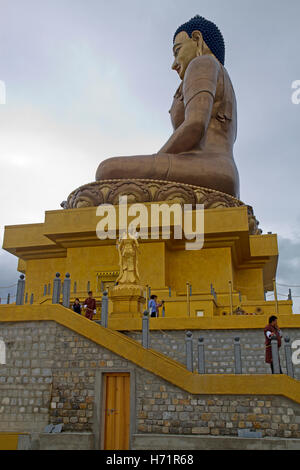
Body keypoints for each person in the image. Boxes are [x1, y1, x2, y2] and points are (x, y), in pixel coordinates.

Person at [96, 15, 239, 198]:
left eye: (177, 51)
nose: (173, 64)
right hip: (219, 170)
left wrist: (157, 159)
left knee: (107, 170)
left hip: (208, 167)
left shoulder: (202, 63)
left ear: (197, 39)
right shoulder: (220, 74)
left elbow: (195, 126)